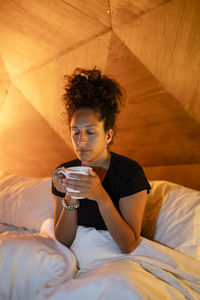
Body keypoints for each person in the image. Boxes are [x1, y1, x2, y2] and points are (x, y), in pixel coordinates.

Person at [51, 68, 151, 254]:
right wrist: (70, 195)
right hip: (76, 254)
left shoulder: (130, 172)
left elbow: (128, 244)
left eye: (90, 132)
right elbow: (63, 240)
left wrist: (101, 197)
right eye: (75, 132)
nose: (81, 140)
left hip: (115, 257)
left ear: (108, 135)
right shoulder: (64, 172)